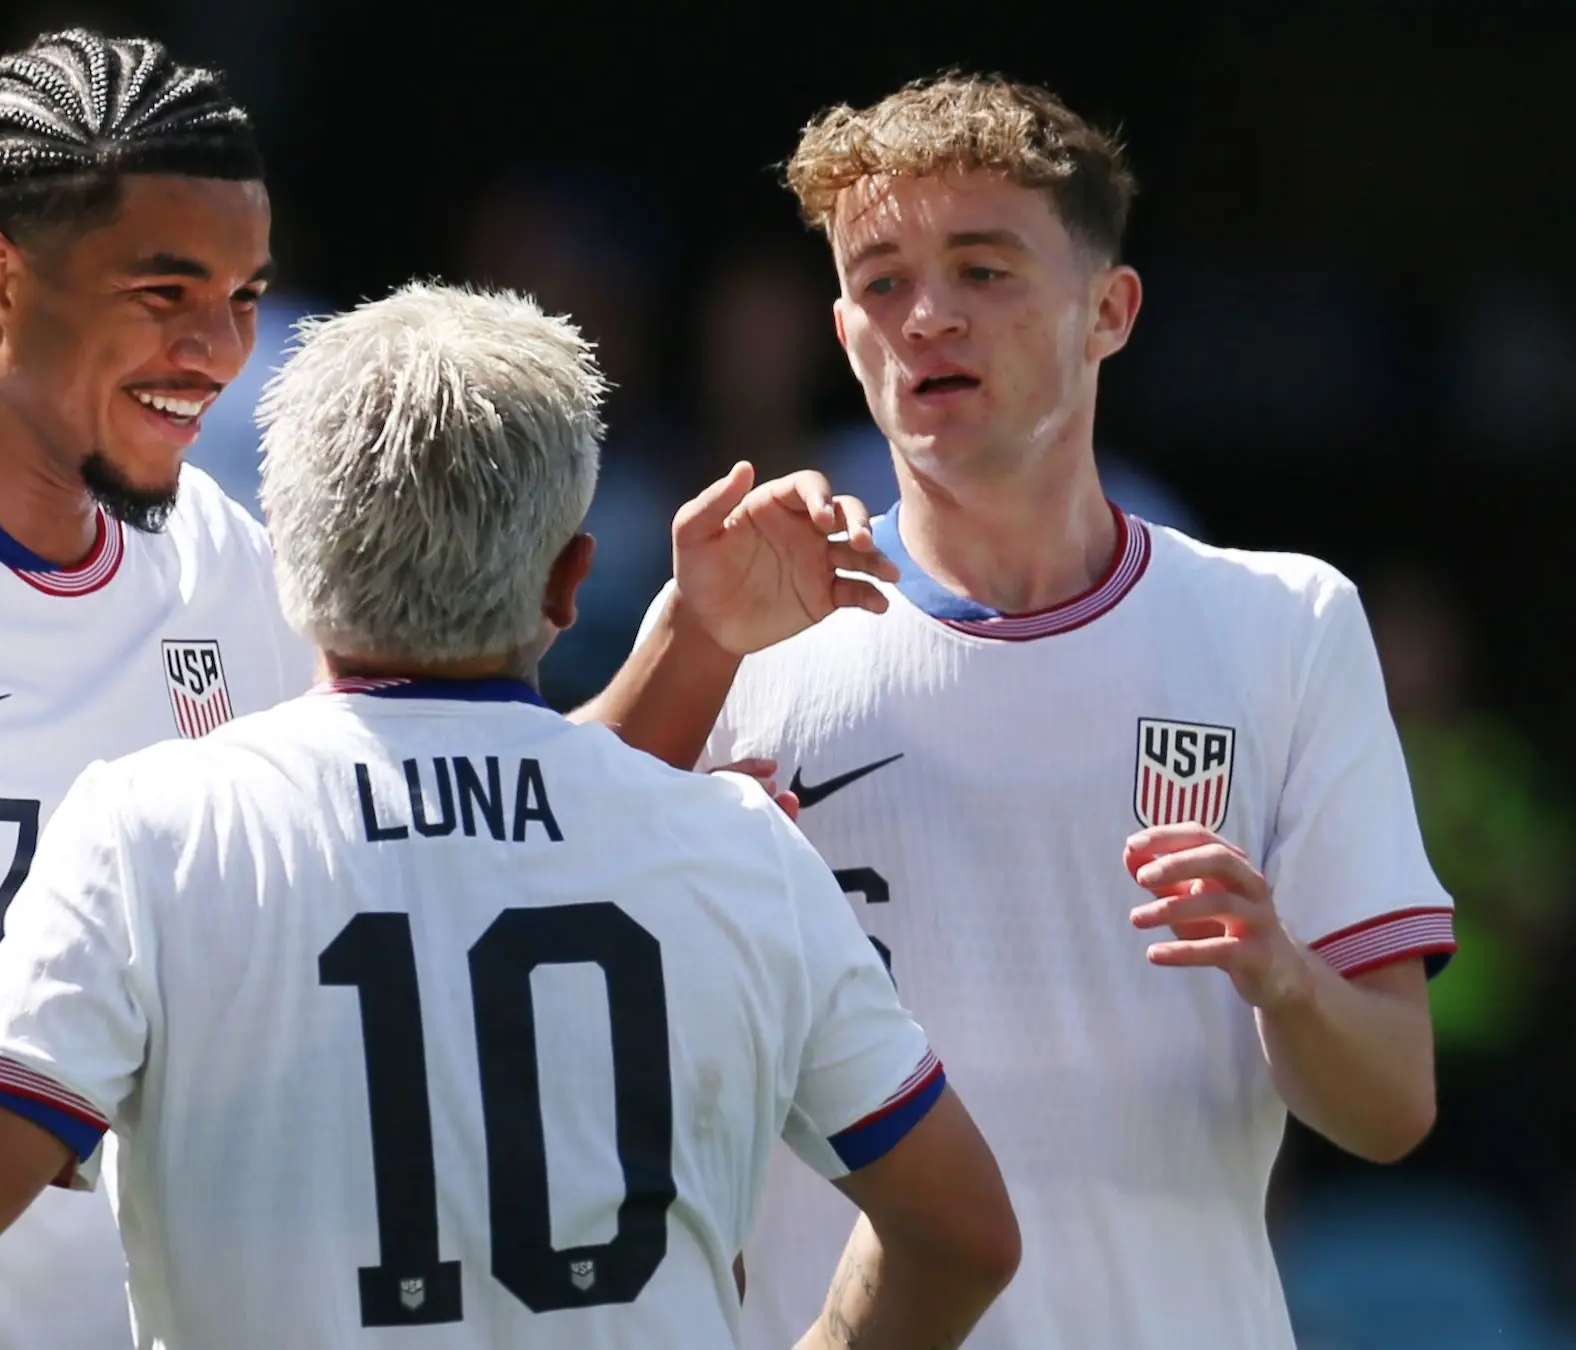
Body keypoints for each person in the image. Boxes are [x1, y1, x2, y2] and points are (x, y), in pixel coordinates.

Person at [0, 29, 892, 1350]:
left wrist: (693, 640)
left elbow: (472, 846)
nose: (217, 353)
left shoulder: (222, 560)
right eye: (165, 293)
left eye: (242, 297)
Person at [0, 282, 1019, 1350]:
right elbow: (962, 1235)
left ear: (294, 571)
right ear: (569, 580)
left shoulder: (158, 831)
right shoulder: (733, 847)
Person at [600, 75, 1454, 1349]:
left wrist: (1285, 978)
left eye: (984, 269)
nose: (928, 317)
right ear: (842, 332)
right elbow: (497, 898)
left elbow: (1392, 1107)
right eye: (882, 281)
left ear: (1109, 310)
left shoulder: (1285, 622)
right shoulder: (739, 635)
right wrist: (687, 643)